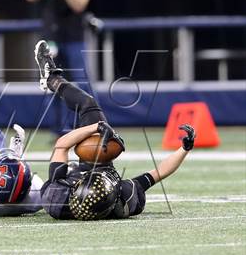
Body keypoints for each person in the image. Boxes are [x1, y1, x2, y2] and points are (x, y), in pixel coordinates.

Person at [34, 40, 196, 220]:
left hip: (70, 182)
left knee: (87, 104)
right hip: (96, 171)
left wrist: (96, 127)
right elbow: (158, 173)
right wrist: (184, 149)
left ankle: (51, 78)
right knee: (89, 107)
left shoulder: (56, 198)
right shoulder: (125, 198)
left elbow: (61, 146)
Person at [25, 0, 92, 134]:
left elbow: (79, 4)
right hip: (51, 37)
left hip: (74, 37)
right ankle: (59, 130)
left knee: (81, 82)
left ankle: (89, 125)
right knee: (52, 84)